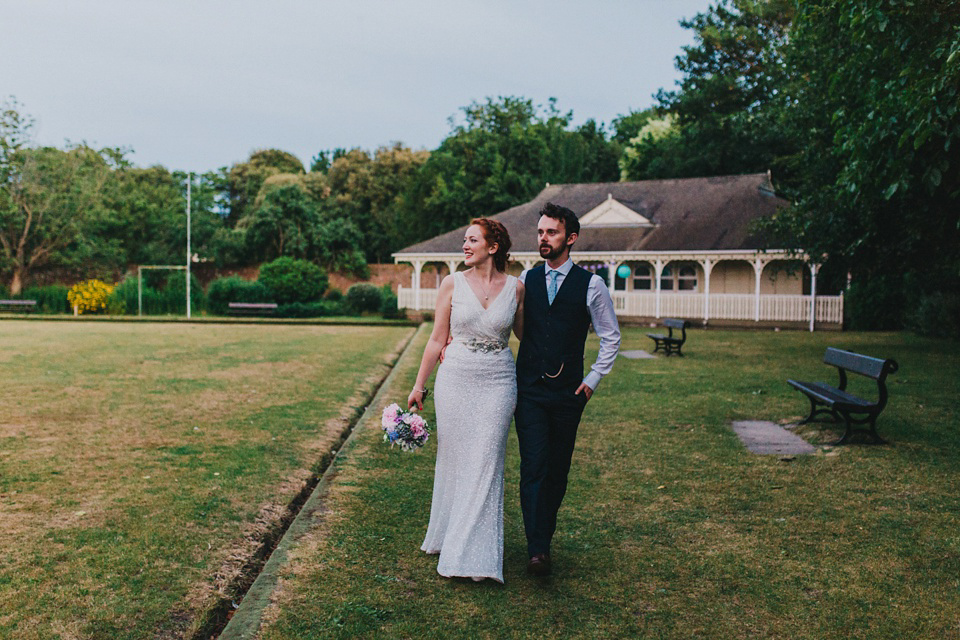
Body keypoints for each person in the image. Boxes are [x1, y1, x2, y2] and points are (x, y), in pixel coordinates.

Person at [408, 218, 524, 583]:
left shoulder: (517, 289)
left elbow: (530, 338)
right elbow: (435, 339)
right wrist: (418, 385)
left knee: (487, 459)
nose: (465, 245)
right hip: (456, 379)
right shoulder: (451, 284)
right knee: (457, 460)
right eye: (464, 239)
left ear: (493, 247)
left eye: (472, 240)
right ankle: (453, 539)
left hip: (499, 381)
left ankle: (476, 554)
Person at [515, 202, 621, 577]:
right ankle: (537, 549)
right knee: (533, 466)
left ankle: (543, 535)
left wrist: (591, 381)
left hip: (568, 395)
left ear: (571, 238)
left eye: (552, 233)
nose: (543, 239)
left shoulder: (591, 285)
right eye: (541, 232)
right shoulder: (525, 280)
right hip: (528, 390)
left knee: (557, 471)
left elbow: (611, 337)